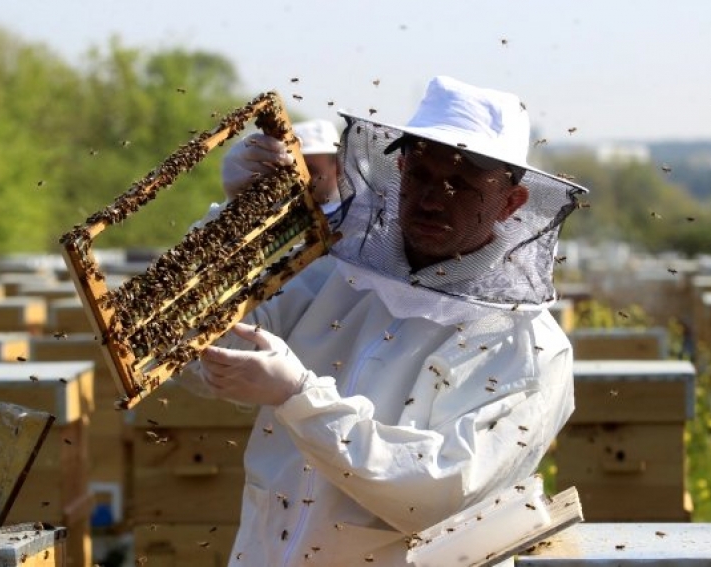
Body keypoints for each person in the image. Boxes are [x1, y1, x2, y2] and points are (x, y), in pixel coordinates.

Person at [182, 75, 588, 566]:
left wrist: (300, 398)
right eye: (420, 176)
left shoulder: (530, 350)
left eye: (462, 185)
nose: (433, 198)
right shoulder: (330, 273)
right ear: (398, 171)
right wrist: (233, 224)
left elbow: (438, 494)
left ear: (511, 202)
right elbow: (196, 357)